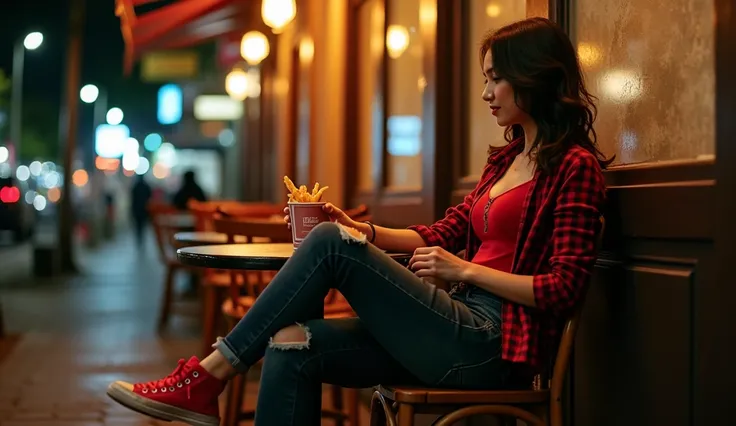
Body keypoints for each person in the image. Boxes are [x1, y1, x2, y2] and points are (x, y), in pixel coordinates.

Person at [105, 17, 611, 426]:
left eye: (495, 79)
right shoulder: (506, 160)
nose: (487, 93)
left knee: (326, 242)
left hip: (492, 344)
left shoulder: (574, 168)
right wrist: (360, 230)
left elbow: (563, 289)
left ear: (534, 76)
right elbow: (441, 232)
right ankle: (205, 382)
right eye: (485, 80)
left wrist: (465, 272)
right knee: (292, 343)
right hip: (448, 323)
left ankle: (207, 378)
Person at [130, 174, 152, 247]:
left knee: (138, 226)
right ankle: (142, 239)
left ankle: (139, 239)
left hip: (137, 210)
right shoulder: (146, 186)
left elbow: (132, 198)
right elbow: (150, 196)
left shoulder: (135, 186)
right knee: (143, 226)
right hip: (144, 210)